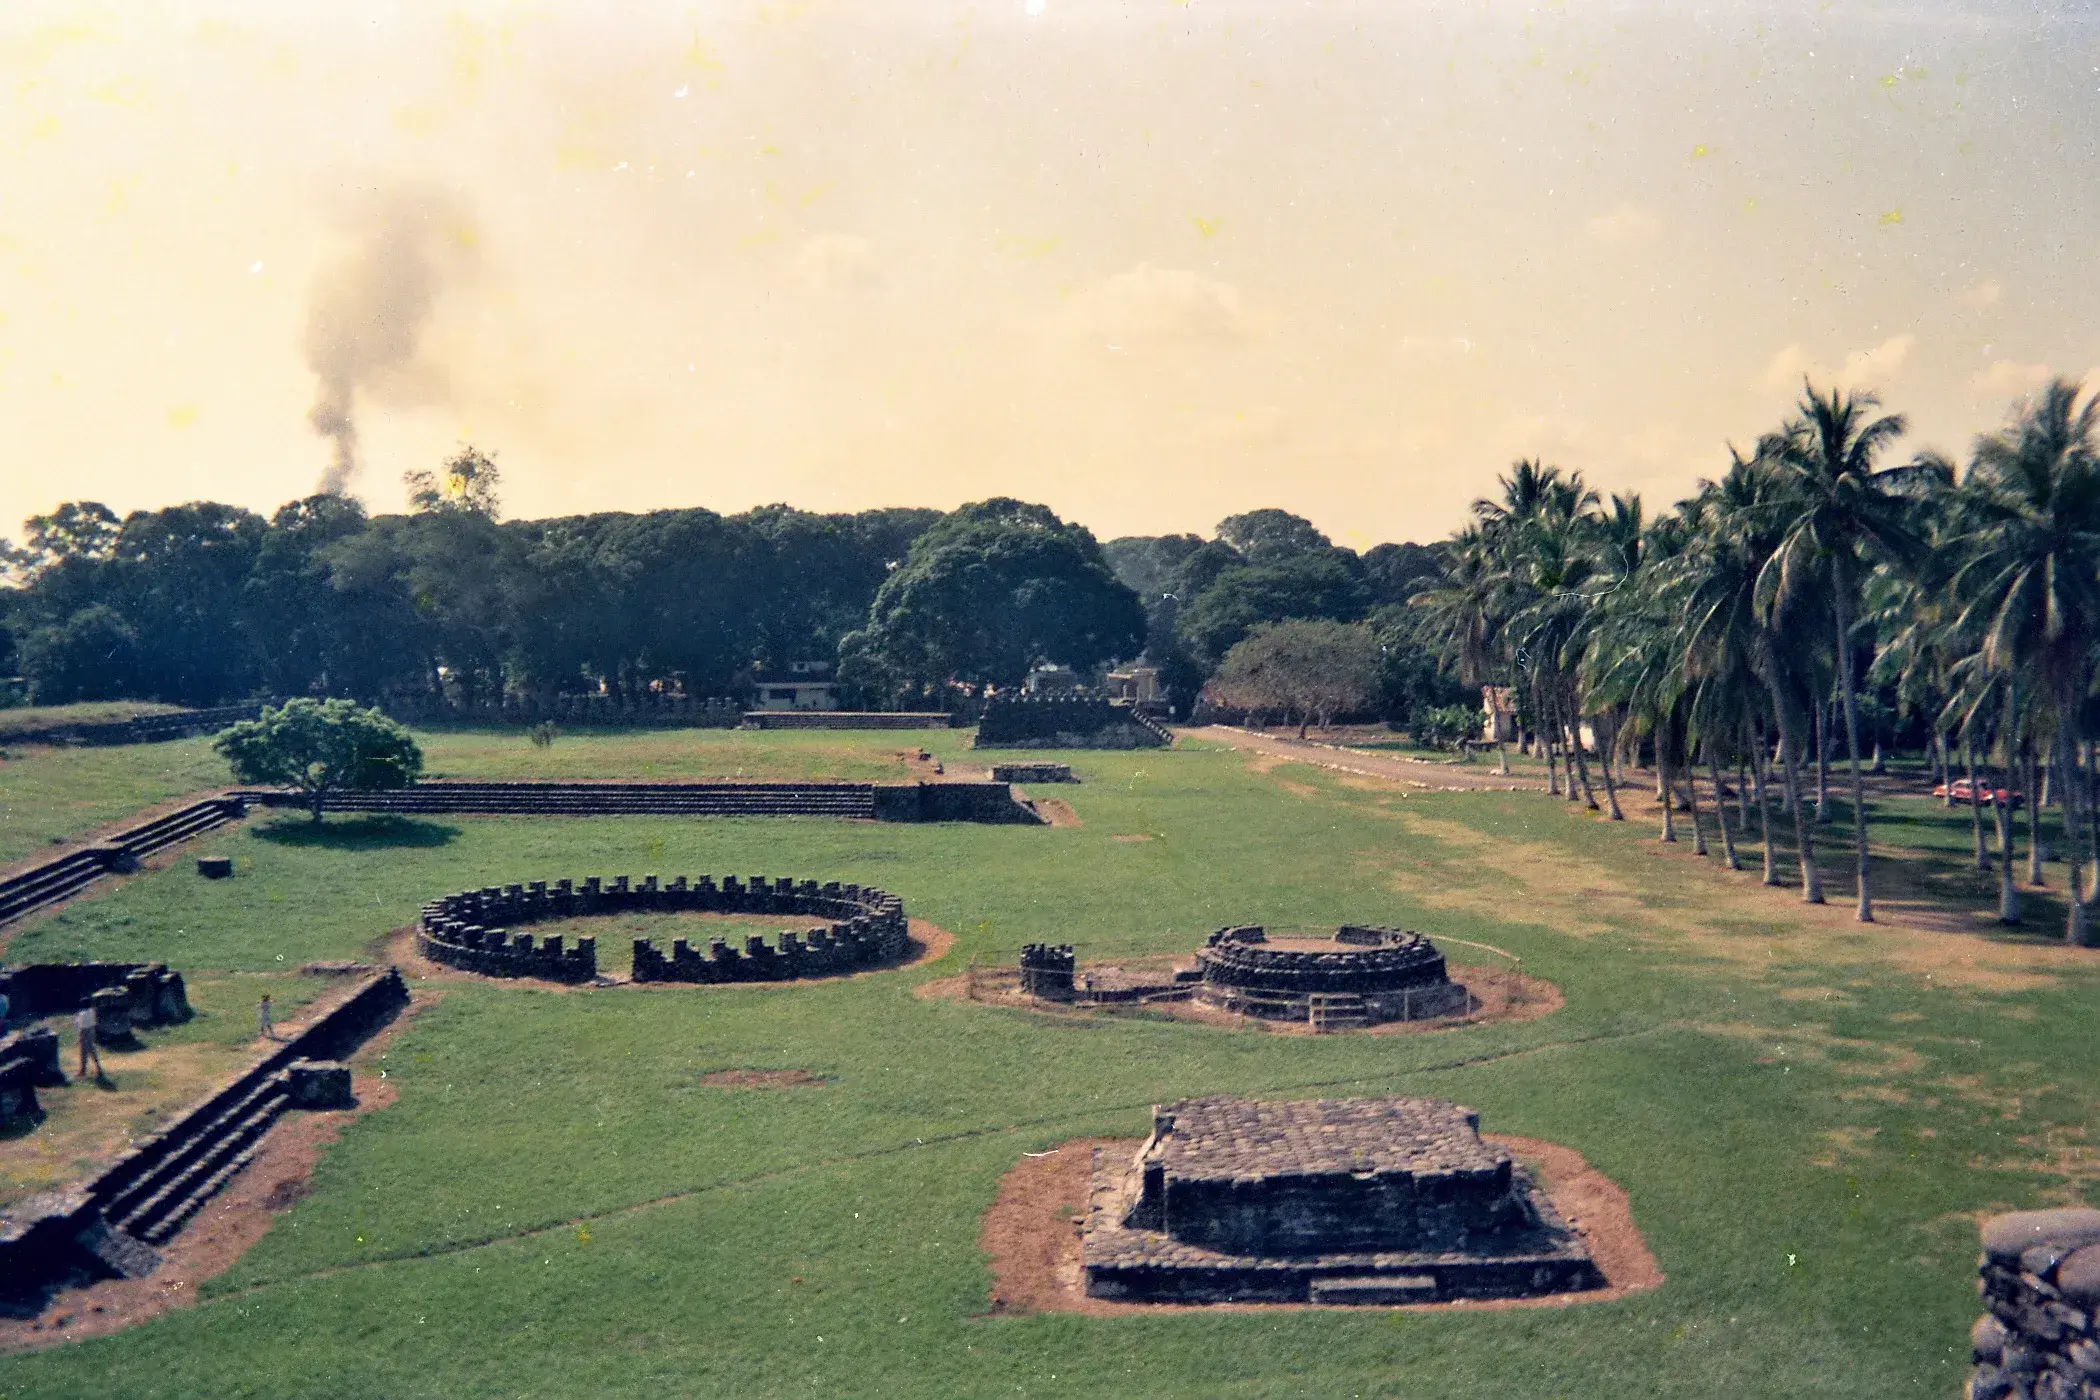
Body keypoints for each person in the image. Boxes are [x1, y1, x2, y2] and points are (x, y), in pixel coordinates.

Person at [76, 1002, 103, 1080]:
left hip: (85, 1032)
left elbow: (81, 1028)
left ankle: (83, 1071)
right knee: (91, 1051)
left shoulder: (82, 1014)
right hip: (91, 1031)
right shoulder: (92, 1011)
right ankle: (97, 1068)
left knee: (84, 1052)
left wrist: (80, 1038)